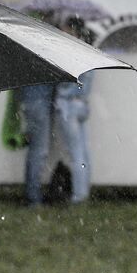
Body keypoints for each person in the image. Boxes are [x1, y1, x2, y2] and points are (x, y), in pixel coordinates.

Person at [53, 13, 95, 203]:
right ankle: (83, 192)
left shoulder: (68, 53)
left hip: (68, 105)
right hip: (82, 105)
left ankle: (78, 196)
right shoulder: (89, 52)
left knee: (75, 153)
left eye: (64, 28)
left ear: (72, 30)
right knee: (83, 152)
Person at [18, 81, 56, 206]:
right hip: (39, 104)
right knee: (39, 151)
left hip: (33, 102)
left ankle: (32, 195)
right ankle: (33, 197)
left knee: (36, 150)